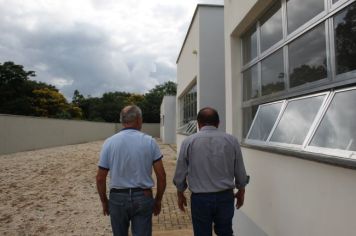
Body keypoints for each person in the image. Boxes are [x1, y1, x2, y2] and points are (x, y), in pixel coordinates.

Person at [173, 107, 249, 236]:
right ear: (218, 123)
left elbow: (180, 172)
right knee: (225, 232)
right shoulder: (231, 140)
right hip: (225, 197)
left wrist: (180, 192)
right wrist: (241, 190)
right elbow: (240, 170)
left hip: (200, 199)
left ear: (198, 123)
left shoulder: (189, 142)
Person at [96, 105, 166, 236]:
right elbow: (161, 176)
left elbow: (100, 178)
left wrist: (105, 202)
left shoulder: (109, 143)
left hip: (117, 198)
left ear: (122, 121)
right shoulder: (150, 141)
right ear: (139, 119)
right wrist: (158, 200)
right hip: (143, 197)